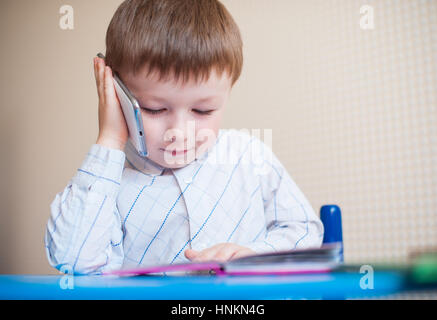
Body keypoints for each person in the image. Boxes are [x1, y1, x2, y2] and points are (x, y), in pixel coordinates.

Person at [45, 0, 323, 275]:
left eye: (203, 110)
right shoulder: (109, 183)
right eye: (155, 109)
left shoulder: (249, 156)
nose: (179, 132)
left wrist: (256, 255)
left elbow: (306, 232)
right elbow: (74, 259)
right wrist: (109, 139)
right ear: (118, 95)